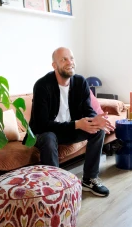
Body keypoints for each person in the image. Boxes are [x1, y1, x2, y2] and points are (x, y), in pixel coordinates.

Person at [30, 47, 114, 197]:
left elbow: (88, 110)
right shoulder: (42, 86)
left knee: (98, 130)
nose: (70, 62)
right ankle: (54, 188)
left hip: (69, 130)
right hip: (44, 133)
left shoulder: (80, 82)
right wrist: (77, 124)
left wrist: (95, 120)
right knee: (49, 138)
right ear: (54, 65)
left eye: (72, 58)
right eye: (64, 59)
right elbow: (42, 124)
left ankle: (89, 179)